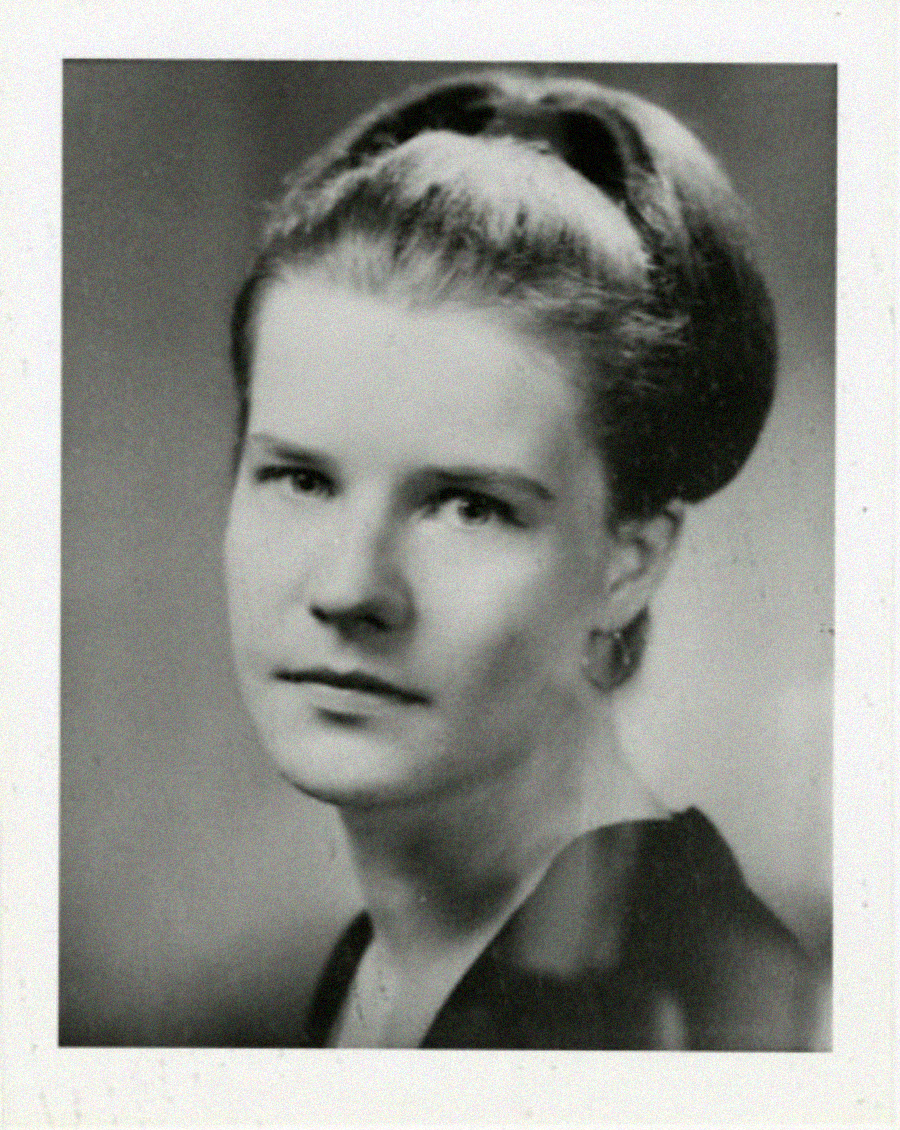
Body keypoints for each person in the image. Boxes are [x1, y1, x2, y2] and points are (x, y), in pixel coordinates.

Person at [223, 70, 824, 1049]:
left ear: (628, 561)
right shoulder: (381, 967)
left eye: (467, 504)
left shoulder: (687, 1015)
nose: (347, 588)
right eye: (300, 479)